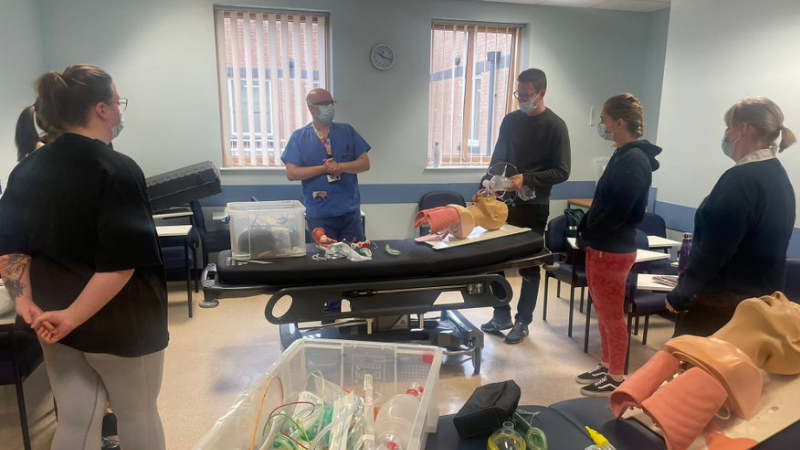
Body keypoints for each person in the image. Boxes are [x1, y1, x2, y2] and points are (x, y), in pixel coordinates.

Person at [0, 65, 168, 450]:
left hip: (50, 321)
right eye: (117, 102)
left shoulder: (25, 170)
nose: (120, 111)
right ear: (101, 110)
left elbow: (10, 248)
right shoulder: (117, 168)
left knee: (76, 420)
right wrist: (73, 316)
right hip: (120, 325)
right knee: (137, 414)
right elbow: (122, 263)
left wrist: (24, 303)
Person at [666, 97, 796, 337]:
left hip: (724, 307)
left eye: (728, 128)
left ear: (742, 129)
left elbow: (715, 249)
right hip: (759, 304)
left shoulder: (741, 180)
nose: (726, 135)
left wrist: (681, 293)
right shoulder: (778, 177)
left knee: (690, 367)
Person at [574, 94, 661, 397]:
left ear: (620, 122)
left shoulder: (634, 160)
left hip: (612, 249)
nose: (602, 124)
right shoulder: (622, 154)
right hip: (602, 246)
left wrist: (589, 234)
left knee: (612, 315)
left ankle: (616, 376)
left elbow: (618, 212)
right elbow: (604, 204)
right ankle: (607, 362)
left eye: (604, 119)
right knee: (602, 310)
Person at [480, 68, 571, 344]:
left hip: (534, 206)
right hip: (502, 204)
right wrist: (487, 182)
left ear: (541, 93)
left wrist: (528, 178)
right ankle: (501, 314)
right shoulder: (510, 121)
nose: (521, 98)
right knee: (494, 261)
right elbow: (499, 156)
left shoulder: (556, 126)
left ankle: (522, 321)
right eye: (518, 93)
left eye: (526, 94)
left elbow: (562, 171)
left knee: (528, 265)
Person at [282, 88, 371, 313]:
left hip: (349, 212)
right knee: (327, 265)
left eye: (331, 101)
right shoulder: (299, 137)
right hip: (320, 215)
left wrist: (340, 167)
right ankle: (331, 313)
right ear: (312, 108)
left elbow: (364, 164)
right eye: (324, 103)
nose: (330, 106)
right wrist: (323, 169)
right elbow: (292, 173)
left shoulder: (347, 132)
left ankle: (362, 311)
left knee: (356, 261)